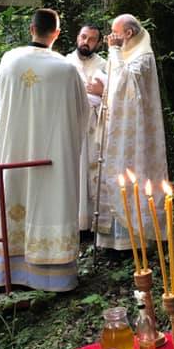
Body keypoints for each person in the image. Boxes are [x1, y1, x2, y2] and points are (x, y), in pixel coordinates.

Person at [0, 8, 90, 292]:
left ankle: (7, 273)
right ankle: (54, 278)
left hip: (13, 151)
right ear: (56, 34)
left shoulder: (9, 60)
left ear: (31, 28)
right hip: (53, 157)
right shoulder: (66, 69)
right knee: (51, 203)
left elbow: (0, 97)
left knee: (14, 201)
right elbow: (83, 115)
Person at [95, 15, 170, 251]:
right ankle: (112, 240)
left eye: (115, 32)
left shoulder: (143, 55)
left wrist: (114, 52)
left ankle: (135, 240)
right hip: (119, 129)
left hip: (135, 132)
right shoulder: (126, 53)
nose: (111, 37)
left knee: (134, 177)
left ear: (127, 33)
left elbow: (127, 82)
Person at [66, 24, 107, 231]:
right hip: (72, 125)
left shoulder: (105, 65)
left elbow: (117, 95)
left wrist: (102, 92)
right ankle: (74, 222)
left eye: (92, 39)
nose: (86, 42)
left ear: (98, 43)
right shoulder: (64, 63)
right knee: (73, 171)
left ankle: (95, 221)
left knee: (94, 172)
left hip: (97, 127)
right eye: (83, 37)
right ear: (77, 37)